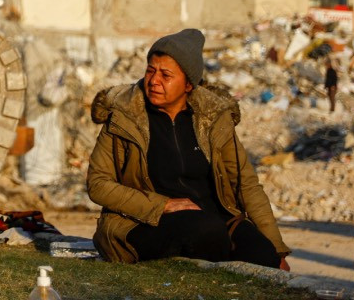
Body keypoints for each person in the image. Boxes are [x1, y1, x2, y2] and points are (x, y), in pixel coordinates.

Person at [86, 28, 291, 269]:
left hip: (214, 219)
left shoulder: (213, 119)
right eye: (150, 71)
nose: (154, 81)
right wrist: (162, 205)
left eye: (166, 75)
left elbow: (246, 185)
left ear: (188, 85)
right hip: (143, 223)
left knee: (263, 256)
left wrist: (277, 250)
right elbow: (98, 184)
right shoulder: (124, 117)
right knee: (205, 232)